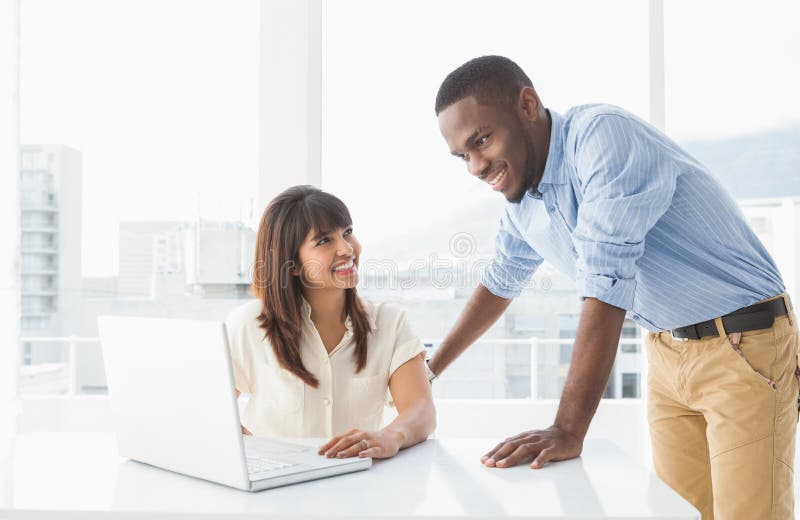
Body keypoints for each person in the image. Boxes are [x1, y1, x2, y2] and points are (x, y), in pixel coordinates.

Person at [428, 55, 797, 519]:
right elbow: (502, 279)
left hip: (744, 345)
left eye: (482, 141)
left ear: (527, 104)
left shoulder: (602, 139)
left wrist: (567, 427)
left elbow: (606, 281)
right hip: (667, 353)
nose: (476, 166)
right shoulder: (524, 197)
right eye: (463, 155)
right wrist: (429, 371)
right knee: (680, 513)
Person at [226, 185, 435, 460]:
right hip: (276, 493)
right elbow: (208, 407)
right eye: (324, 241)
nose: (347, 249)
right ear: (293, 264)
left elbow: (421, 410)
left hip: (356, 490)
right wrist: (243, 445)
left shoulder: (390, 322)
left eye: (347, 232)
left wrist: (390, 435)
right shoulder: (249, 324)